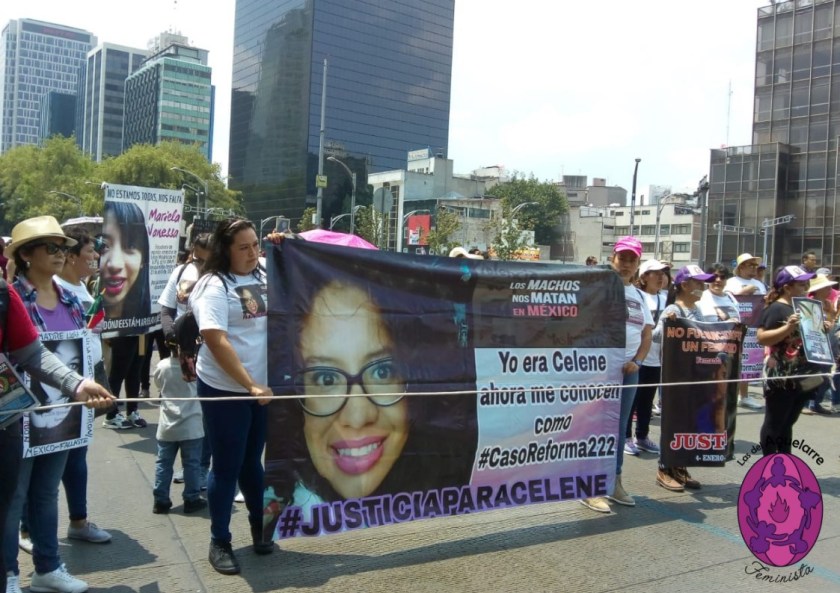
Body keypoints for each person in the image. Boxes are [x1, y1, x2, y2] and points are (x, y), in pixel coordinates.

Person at [2, 215, 114, 593]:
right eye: (51, 247)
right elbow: (24, 355)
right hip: (19, 417)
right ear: (26, 255)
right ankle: (9, 576)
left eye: (63, 247)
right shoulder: (11, 297)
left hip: (62, 414)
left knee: (47, 492)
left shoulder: (73, 297)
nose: (60, 254)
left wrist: (82, 382)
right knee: (13, 498)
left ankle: (48, 568)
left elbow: (43, 353)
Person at [189, 218, 274, 575]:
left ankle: (260, 526)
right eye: (244, 247)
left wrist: (287, 242)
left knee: (253, 462)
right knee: (226, 466)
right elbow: (215, 338)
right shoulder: (213, 284)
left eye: (256, 245)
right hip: (225, 388)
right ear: (226, 250)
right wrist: (249, 384)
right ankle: (219, 540)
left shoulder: (263, 273)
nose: (253, 253)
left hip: (263, 389)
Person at [581, 236, 651, 513]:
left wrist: (638, 360)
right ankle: (588, 487)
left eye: (632, 260)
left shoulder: (639, 296)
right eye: (622, 258)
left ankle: (614, 481)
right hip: (599, 372)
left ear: (638, 265)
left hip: (628, 372)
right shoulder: (598, 288)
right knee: (593, 428)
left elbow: (646, 333)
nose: (627, 264)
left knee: (618, 429)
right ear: (613, 259)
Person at [52, 227, 113, 545]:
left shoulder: (85, 288)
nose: (95, 257)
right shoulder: (54, 291)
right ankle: (28, 528)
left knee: (77, 455)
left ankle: (78, 520)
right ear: (71, 256)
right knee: (46, 463)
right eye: (89, 252)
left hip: (86, 379)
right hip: (61, 387)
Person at [159, 233, 212, 487]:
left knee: (208, 412)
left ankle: (202, 467)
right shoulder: (181, 272)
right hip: (184, 351)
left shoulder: (223, 276)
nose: (200, 264)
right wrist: (171, 332)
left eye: (206, 260)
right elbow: (167, 307)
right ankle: (191, 466)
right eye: (197, 257)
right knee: (187, 410)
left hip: (213, 351)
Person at [757, 265, 821, 455]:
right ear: (787, 287)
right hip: (781, 375)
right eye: (802, 284)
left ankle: (786, 463)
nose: (806, 287)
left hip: (802, 374)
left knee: (788, 422)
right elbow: (762, 337)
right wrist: (787, 328)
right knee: (774, 422)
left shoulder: (803, 306)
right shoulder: (777, 308)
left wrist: (821, 328)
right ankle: (768, 465)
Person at [152, 341, 207, 515]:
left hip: (167, 424)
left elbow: (159, 385)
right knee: (192, 464)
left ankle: (160, 500)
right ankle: (191, 498)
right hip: (192, 425)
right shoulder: (196, 367)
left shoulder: (162, 366)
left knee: (163, 463)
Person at [698, 263, 743, 461]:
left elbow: (737, 322)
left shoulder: (730, 297)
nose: (718, 280)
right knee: (713, 402)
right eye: (714, 276)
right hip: (712, 358)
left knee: (730, 402)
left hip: (732, 354)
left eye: (722, 277)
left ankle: (727, 445)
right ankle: (709, 445)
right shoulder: (702, 299)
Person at [625, 259, 669, 457]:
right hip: (637, 358)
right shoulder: (637, 295)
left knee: (647, 401)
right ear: (643, 277)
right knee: (631, 401)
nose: (661, 277)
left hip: (656, 359)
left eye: (663, 273)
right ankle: (626, 437)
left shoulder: (666, 298)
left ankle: (642, 436)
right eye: (655, 273)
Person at [724, 253, 766, 410]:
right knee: (731, 361)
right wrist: (743, 292)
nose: (754, 268)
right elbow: (725, 300)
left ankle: (745, 395)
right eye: (750, 265)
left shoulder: (759, 284)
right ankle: (728, 395)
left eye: (755, 266)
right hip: (734, 326)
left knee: (748, 361)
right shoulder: (731, 282)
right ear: (740, 267)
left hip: (754, 326)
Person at [801, 273, 839, 415]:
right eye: (826, 287)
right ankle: (805, 403)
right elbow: (808, 326)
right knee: (810, 375)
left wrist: (830, 313)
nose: (829, 290)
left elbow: (830, 325)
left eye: (829, 287)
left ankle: (817, 402)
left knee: (826, 375)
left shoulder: (827, 304)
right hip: (813, 344)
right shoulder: (808, 303)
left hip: (827, 343)